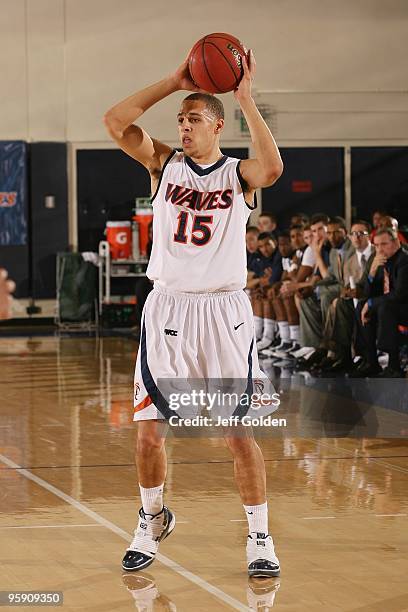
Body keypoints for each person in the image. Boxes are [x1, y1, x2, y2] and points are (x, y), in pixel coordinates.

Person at [104, 49, 283, 577]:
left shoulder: (238, 174)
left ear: (218, 126)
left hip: (224, 311)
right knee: (148, 432)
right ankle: (152, 517)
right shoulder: (162, 164)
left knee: (237, 434)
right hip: (168, 308)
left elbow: (272, 168)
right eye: (180, 120)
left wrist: (246, 99)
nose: (183, 127)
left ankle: (259, 537)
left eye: (195, 119)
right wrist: (172, 81)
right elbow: (115, 121)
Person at [354, 228, 408, 377]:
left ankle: (394, 365)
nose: (380, 249)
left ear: (396, 242)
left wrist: (371, 303)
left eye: (384, 244)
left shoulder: (404, 261)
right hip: (390, 305)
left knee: (384, 308)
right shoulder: (379, 260)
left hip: (403, 307)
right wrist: (371, 272)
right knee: (361, 306)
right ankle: (371, 361)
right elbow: (366, 293)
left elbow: (399, 295)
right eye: (376, 245)